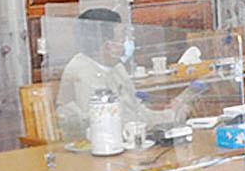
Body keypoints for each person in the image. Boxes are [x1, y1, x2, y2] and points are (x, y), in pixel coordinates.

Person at [55, 8, 191, 141]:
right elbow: (112, 125)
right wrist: (171, 116)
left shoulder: (115, 66)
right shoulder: (82, 73)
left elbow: (136, 111)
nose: (127, 42)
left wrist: (171, 114)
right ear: (107, 45)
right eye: (122, 38)